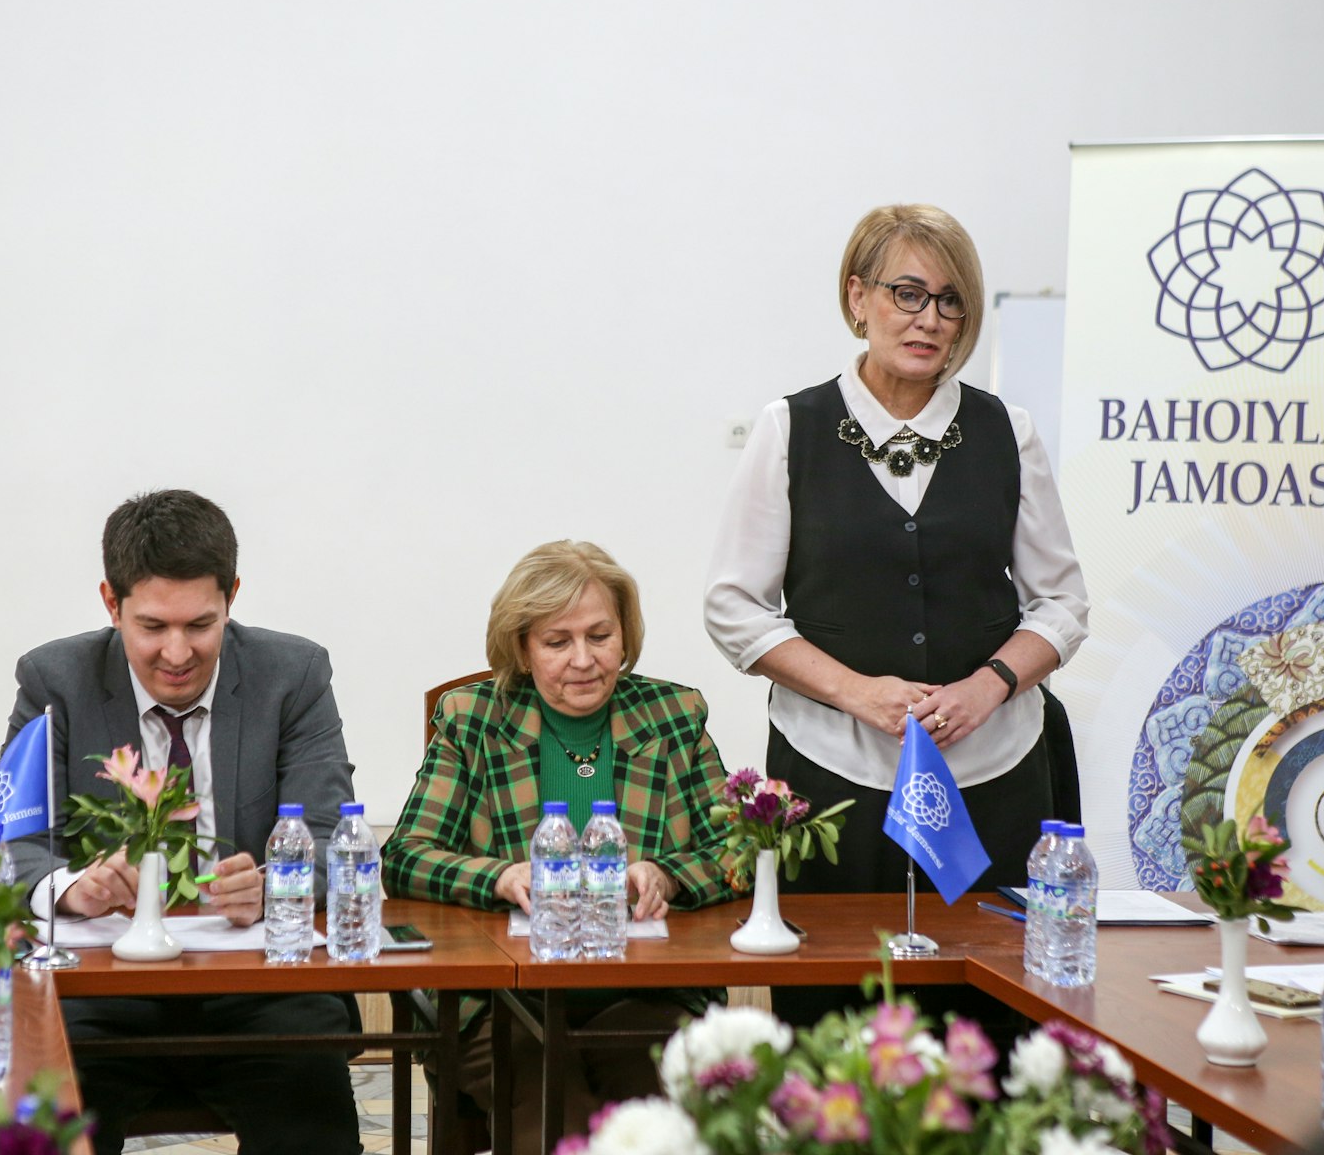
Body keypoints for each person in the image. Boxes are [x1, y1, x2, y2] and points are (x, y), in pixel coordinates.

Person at [704, 203, 1089, 1026]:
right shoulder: (790, 429)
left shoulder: (1005, 433)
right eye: (907, 293)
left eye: (951, 302)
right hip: (831, 777)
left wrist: (990, 686)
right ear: (857, 298)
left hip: (993, 769)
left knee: (996, 1022)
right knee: (836, 1023)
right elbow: (734, 607)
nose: (930, 319)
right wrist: (856, 692)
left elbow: (1062, 602)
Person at [4, 489, 359, 1155]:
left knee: (310, 1106)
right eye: (152, 626)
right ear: (111, 603)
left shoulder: (294, 674)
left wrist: (275, 884)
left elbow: (331, 842)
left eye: (200, 625)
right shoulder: (55, 680)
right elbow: (13, 848)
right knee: (47, 1118)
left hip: (259, 989)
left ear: (232, 598)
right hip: (100, 992)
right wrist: (70, 887)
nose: (177, 652)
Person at [385, 539, 736, 1154]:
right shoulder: (472, 719)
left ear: (625, 637)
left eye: (600, 636)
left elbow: (736, 850)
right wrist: (499, 877)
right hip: (498, 1001)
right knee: (555, 1117)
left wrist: (669, 875)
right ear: (521, 648)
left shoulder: (675, 716)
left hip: (643, 994)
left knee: (658, 1122)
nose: (583, 660)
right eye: (557, 642)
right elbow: (406, 855)